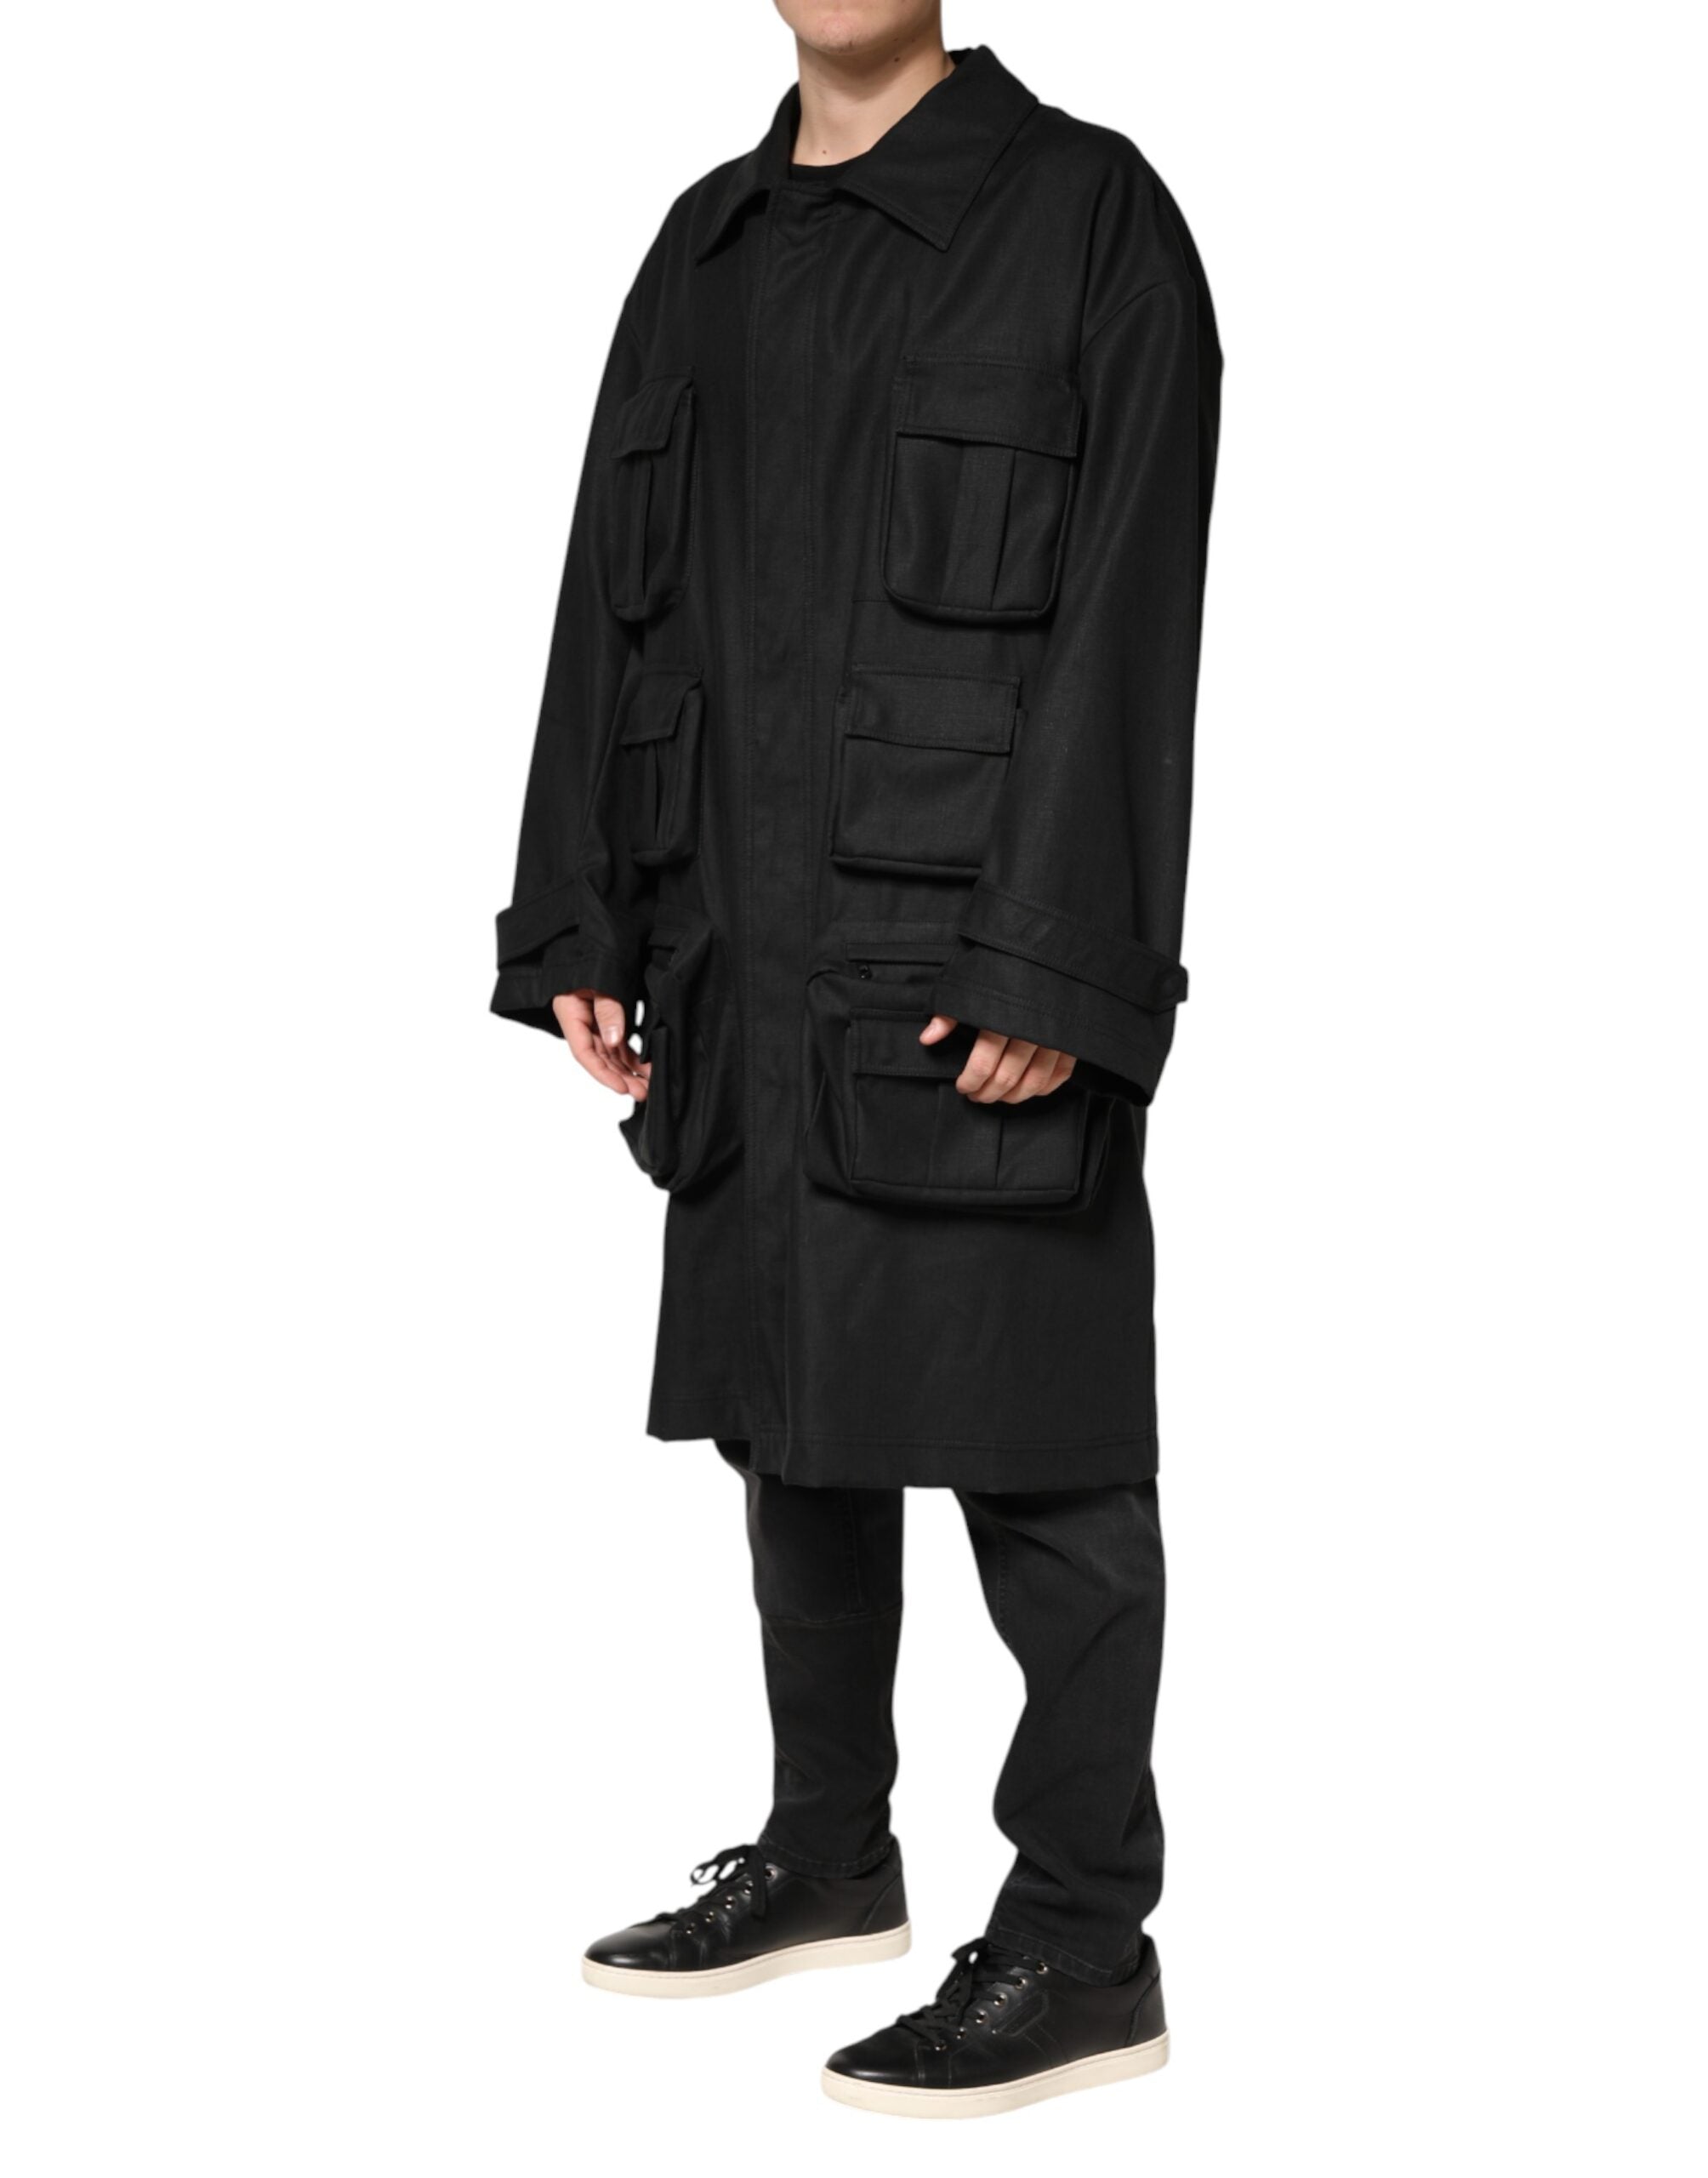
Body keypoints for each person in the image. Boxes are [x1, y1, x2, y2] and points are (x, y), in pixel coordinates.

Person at [491, 0, 1218, 2120]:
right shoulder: (703, 245)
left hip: (964, 960)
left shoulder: (1085, 216)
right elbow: (608, 590)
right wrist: (580, 910)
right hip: (739, 941)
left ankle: (1081, 1940)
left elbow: (1131, 615)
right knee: (786, 1409)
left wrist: (1055, 961)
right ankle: (826, 1850)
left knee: (1042, 1450)